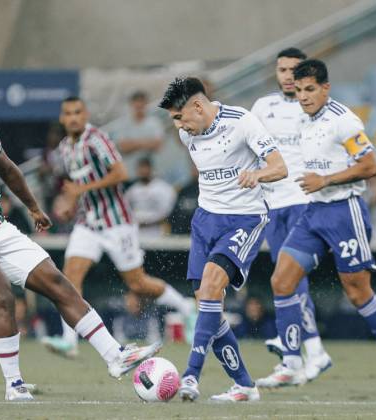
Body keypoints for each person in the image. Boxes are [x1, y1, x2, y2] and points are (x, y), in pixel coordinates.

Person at [0, 88, 161, 402]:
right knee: (2, 295)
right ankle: (14, 385)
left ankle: (115, 356)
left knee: (58, 283)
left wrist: (34, 208)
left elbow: (9, 171)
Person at [255, 59, 376, 397]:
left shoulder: (343, 121)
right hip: (314, 211)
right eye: (299, 91)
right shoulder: (301, 118)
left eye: (311, 90)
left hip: (345, 212)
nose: (305, 97)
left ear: (325, 88)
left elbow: (371, 165)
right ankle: (292, 364)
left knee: (357, 291)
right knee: (282, 280)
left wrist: (325, 179)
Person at [159, 77, 287, 402]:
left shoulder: (242, 122)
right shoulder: (187, 134)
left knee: (213, 285)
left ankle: (190, 375)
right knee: (207, 303)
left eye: (179, 116)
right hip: (205, 220)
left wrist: (257, 174)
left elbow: (280, 167)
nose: (177, 125)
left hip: (244, 218)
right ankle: (244, 384)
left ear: (198, 106)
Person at [41, 96, 195, 357]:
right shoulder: (66, 148)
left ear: (85, 113)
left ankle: (186, 307)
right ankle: (70, 341)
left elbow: (121, 173)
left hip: (117, 223)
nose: (74, 117)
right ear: (62, 118)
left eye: (78, 112)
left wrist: (82, 189)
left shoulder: (96, 139)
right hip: (88, 222)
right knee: (70, 276)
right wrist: (70, 201)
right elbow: (77, 186)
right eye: (68, 113)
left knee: (138, 283)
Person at [251, 47, 332, 380]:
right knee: (288, 281)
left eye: (293, 69)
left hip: (302, 200)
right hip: (272, 205)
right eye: (281, 69)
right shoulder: (261, 107)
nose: (287, 75)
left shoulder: (313, 109)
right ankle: (309, 350)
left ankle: (297, 348)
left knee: (290, 278)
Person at [125, 157, 177, 236]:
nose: (143, 171)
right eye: (141, 168)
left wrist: (147, 223)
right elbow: (126, 210)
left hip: (156, 231)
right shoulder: (132, 190)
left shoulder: (164, 188)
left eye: (145, 167)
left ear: (151, 169)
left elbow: (167, 213)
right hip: (137, 231)